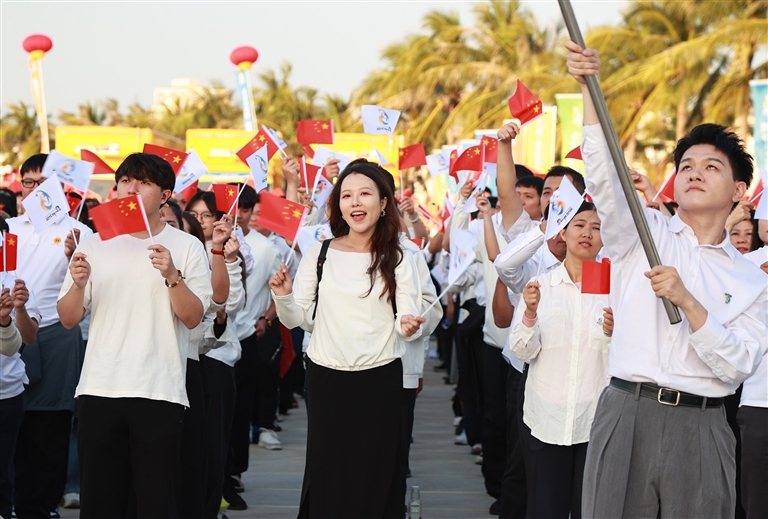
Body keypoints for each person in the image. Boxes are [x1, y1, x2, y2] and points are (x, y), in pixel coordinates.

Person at [566, 41, 767, 519]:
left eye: (711, 167)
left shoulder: (752, 278)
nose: (695, 174)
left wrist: (689, 302)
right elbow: (605, 176)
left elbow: (737, 365)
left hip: (703, 425)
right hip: (626, 411)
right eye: (686, 167)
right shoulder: (644, 232)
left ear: (739, 191)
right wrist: (589, 88)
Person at [57, 153, 213, 518]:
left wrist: (172, 276)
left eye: (143, 183)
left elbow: (192, 317)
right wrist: (78, 284)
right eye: (125, 181)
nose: (131, 188)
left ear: (165, 195)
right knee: (100, 501)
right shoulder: (94, 243)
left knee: (156, 500)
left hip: (159, 389)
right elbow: (68, 318)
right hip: (100, 387)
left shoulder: (186, 246)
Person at [270, 159, 425, 518]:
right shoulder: (320, 252)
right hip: (326, 377)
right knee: (329, 472)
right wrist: (283, 296)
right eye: (346, 195)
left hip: (380, 377)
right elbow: (299, 319)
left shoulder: (399, 255)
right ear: (338, 204)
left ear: (383, 203)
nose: (355, 202)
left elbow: (407, 313)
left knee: (376, 473)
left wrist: (408, 325)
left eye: (364, 194)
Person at [508, 202, 608, 519]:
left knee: (590, 511)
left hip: (597, 421)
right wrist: (530, 313)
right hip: (547, 419)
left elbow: (629, 357)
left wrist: (614, 333)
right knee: (545, 509)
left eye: (596, 227)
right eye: (579, 225)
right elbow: (522, 351)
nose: (587, 233)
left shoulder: (614, 290)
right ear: (563, 233)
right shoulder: (541, 287)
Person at [8, 154, 93, 519]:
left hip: (57, 334)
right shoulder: (9, 228)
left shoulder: (78, 232)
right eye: (28, 183)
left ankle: (41, 506)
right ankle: (11, 502)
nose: (35, 190)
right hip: (9, 334)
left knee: (51, 426)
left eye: (43, 183)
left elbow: (88, 291)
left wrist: (76, 257)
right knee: (13, 423)